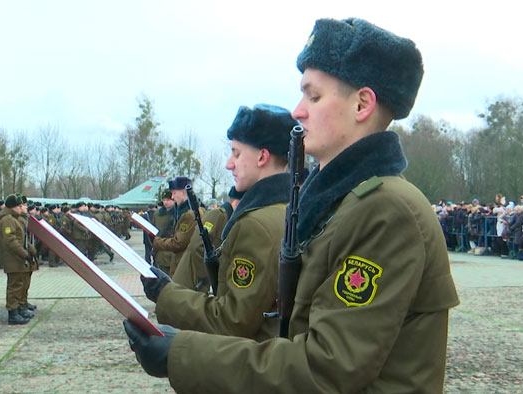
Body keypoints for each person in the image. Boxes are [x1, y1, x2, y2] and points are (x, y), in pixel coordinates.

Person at [124, 18, 459, 393]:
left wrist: (183, 353)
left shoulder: (385, 210)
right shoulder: (340, 204)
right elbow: (291, 327)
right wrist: (182, 336)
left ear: (362, 104)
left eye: (313, 96)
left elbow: (327, 368)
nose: (298, 111)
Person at [143, 104, 295, 341]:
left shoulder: (256, 224)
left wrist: (166, 294)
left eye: (236, 153)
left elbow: (234, 320)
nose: (228, 164)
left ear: (262, 156)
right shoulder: (289, 210)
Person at [172, 186, 244, 293]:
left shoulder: (229, 219)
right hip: (191, 280)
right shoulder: (218, 215)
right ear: (238, 204)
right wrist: (208, 277)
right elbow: (197, 246)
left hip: (198, 283)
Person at [0, 194, 36, 325]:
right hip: (13, 257)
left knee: (19, 284)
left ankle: (18, 308)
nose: (22, 208)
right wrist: (24, 254)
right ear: (13, 207)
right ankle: (13, 312)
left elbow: (22, 239)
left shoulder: (14, 218)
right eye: (20, 206)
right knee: (14, 286)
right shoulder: (8, 220)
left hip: (18, 257)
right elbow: (11, 241)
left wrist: (30, 250)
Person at [150, 177, 196, 276]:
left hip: (184, 266)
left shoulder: (188, 214)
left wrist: (157, 242)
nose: (173, 197)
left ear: (183, 192)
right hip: (180, 263)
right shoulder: (183, 211)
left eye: (174, 193)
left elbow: (178, 242)